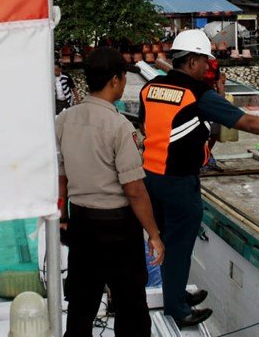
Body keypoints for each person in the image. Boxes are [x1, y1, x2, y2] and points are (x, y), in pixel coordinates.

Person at [138, 29, 259, 328]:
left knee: (166, 239)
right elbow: (247, 122)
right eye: (205, 61)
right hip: (179, 182)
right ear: (193, 61)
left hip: (150, 177)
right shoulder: (198, 95)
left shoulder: (152, 88)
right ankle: (178, 308)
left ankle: (174, 293)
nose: (207, 67)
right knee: (180, 244)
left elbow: (147, 126)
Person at [57, 47, 164, 337]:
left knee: (81, 303)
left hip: (82, 223)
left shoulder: (65, 120)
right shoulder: (119, 126)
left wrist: (63, 217)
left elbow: (61, 176)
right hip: (118, 227)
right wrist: (153, 234)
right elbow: (134, 190)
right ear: (116, 80)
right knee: (130, 305)